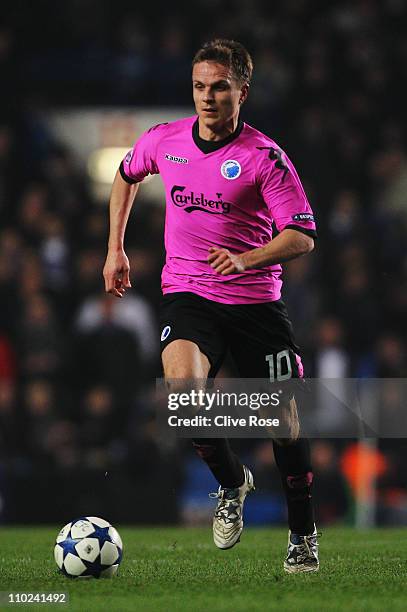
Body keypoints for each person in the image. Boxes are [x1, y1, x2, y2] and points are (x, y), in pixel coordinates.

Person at [103, 39, 319, 573]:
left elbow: (302, 235)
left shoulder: (263, 157)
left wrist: (248, 259)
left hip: (255, 303)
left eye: (220, 87)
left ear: (242, 92)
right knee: (183, 397)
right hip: (189, 293)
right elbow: (125, 177)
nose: (207, 97)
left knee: (285, 422)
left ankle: (303, 533)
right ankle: (232, 483)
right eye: (200, 86)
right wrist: (115, 248)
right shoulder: (165, 140)